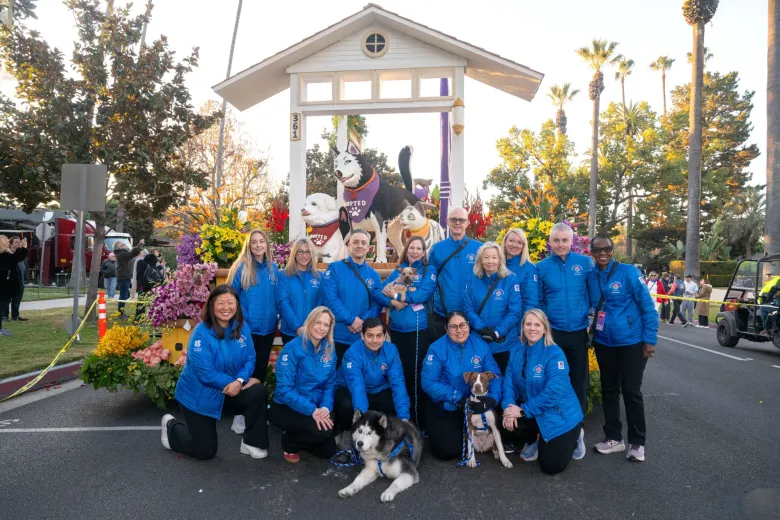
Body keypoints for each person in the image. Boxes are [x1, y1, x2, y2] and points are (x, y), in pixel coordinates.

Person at [161, 285, 269, 461]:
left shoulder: (242, 327)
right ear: (211, 305)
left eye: (230, 302)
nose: (226, 307)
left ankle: (252, 442)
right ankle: (171, 427)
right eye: (220, 303)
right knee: (205, 452)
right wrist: (236, 383)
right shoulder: (201, 334)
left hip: (229, 389)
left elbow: (250, 358)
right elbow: (206, 374)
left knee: (257, 391)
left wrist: (240, 380)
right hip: (200, 396)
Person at [587, 236, 657, 462]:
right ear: (592, 252)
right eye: (597, 250)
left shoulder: (628, 272)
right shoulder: (591, 276)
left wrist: (649, 339)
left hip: (631, 342)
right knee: (609, 390)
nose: (602, 253)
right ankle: (613, 438)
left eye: (606, 248)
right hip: (604, 342)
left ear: (613, 249)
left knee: (631, 391)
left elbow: (648, 307)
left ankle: (637, 442)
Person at [501, 309, 585, 474]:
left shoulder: (554, 354)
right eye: (528, 324)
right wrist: (508, 407)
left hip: (559, 415)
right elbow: (508, 383)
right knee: (506, 422)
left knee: (551, 466)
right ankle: (533, 440)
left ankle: (576, 436)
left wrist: (523, 410)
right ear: (523, 327)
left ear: (545, 328)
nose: (532, 328)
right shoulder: (517, 350)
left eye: (537, 324)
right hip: (534, 409)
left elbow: (553, 393)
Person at [421, 311, 503, 461]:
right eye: (453, 327)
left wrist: (492, 399)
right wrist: (456, 397)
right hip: (450, 405)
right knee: (449, 451)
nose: (459, 330)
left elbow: (496, 376)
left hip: (476, 404)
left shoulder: (480, 346)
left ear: (469, 326)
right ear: (446, 329)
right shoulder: (436, 349)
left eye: (463, 325)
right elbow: (428, 382)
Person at [373, 235, 437, 426]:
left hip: (418, 330)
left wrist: (397, 294)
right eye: (412, 247)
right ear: (406, 249)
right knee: (400, 373)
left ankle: (418, 421)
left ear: (424, 252)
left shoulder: (428, 270)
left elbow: (423, 294)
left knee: (417, 374)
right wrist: (392, 301)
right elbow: (378, 293)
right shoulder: (398, 270)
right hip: (398, 330)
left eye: (419, 248)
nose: (415, 251)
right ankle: (403, 416)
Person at [269, 306, 339, 463]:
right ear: (309, 322)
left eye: (326, 325)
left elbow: (330, 383)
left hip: (314, 407)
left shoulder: (329, 349)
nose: (321, 328)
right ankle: (289, 442)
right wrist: (313, 411)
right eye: (317, 322)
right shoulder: (292, 349)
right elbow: (284, 390)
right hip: (286, 407)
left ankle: (301, 435)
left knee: (329, 451)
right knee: (323, 433)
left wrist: (325, 408)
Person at [536, 222, 593, 413]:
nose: (560, 244)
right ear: (550, 242)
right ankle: (555, 423)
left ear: (571, 241)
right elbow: (539, 300)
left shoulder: (585, 263)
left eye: (565, 240)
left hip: (578, 332)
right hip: (553, 333)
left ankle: (578, 428)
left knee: (579, 382)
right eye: (556, 240)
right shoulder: (541, 267)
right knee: (553, 379)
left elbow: (595, 294)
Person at [334, 318, 410, 433]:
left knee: (396, 403)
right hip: (349, 389)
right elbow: (357, 387)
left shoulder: (391, 350)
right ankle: (345, 431)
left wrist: (404, 419)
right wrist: (364, 424)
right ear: (362, 336)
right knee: (346, 405)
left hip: (377, 389)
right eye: (370, 335)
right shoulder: (353, 353)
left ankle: (386, 433)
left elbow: (397, 382)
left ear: (385, 336)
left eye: (379, 336)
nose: (375, 340)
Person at [322, 229, 381, 365]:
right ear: (349, 245)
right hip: (337, 337)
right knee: (335, 381)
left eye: (363, 242)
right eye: (355, 242)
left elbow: (377, 304)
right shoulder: (335, 269)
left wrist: (362, 322)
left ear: (368, 247)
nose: (359, 245)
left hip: (363, 339)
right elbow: (330, 299)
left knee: (360, 380)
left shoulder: (374, 276)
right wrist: (351, 320)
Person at [463, 241, 522, 374]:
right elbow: (468, 307)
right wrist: (482, 328)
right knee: (481, 383)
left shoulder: (510, 279)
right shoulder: (473, 279)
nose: (490, 261)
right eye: (486, 257)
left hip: (503, 343)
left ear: (500, 259)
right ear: (480, 259)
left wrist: (497, 332)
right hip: (479, 341)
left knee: (504, 381)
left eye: (494, 257)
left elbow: (514, 311)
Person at [228, 229, 278, 384]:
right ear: (248, 246)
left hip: (268, 330)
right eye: (254, 242)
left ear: (267, 245)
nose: (258, 245)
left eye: (261, 241)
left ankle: (256, 405)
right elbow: (229, 296)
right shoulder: (240, 268)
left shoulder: (273, 268)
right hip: (247, 329)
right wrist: (240, 321)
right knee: (244, 371)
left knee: (260, 371)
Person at [427, 207, 482, 339]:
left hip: (472, 313)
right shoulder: (437, 249)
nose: (457, 223)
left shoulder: (479, 248)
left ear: (467, 223)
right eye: (454, 219)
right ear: (447, 221)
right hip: (443, 314)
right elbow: (429, 281)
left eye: (461, 220)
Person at [275, 238, 322, 346]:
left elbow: (320, 304)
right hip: (290, 332)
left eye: (308, 252)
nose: (304, 255)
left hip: (313, 332)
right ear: (294, 253)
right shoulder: (283, 276)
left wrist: (310, 326)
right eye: (300, 251)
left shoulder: (319, 277)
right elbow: (283, 303)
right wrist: (297, 327)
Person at [503, 227, 539, 317]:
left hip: (517, 323)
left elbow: (530, 302)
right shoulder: (496, 265)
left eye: (519, 242)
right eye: (511, 241)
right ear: (504, 242)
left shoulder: (529, 268)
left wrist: (523, 325)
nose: (515, 245)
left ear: (523, 246)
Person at [0, 236, 28, 335]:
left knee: (3, 305)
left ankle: (1, 327)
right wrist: (24, 248)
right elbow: (17, 258)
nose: (8, 241)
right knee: (2, 306)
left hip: (7, 285)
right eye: (6, 240)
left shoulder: (7, 253)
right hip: (4, 285)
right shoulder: (4, 254)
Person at [5, 237, 29, 322]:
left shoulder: (21, 255)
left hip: (20, 280)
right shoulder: (8, 254)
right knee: (7, 299)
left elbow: (25, 268)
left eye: (19, 242)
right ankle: (5, 316)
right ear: (10, 244)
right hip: (10, 281)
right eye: (15, 242)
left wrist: (26, 279)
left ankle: (15, 316)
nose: (18, 244)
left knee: (17, 298)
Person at [114, 243, 137, 317]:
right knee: (123, 296)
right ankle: (120, 314)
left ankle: (121, 312)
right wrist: (140, 244)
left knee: (125, 295)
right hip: (123, 277)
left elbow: (132, 252)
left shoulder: (125, 253)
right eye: (123, 244)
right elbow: (133, 253)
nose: (125, 245)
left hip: (126, 277)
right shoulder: (122, 254)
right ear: (119, 247)